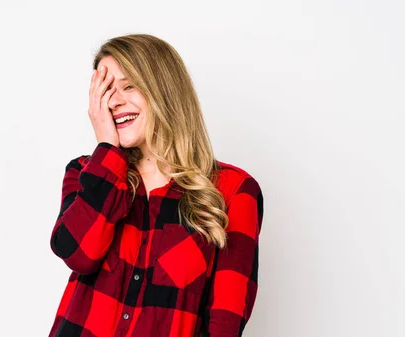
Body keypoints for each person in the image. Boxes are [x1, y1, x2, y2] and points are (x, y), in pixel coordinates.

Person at [48, 34, 264, 337]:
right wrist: (108, 150)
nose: (113, 101)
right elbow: (78, 254)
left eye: (128, 85)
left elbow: (225, 323)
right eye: (105, 90)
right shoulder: (86, 172)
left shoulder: (234, 190)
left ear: (163, 90)